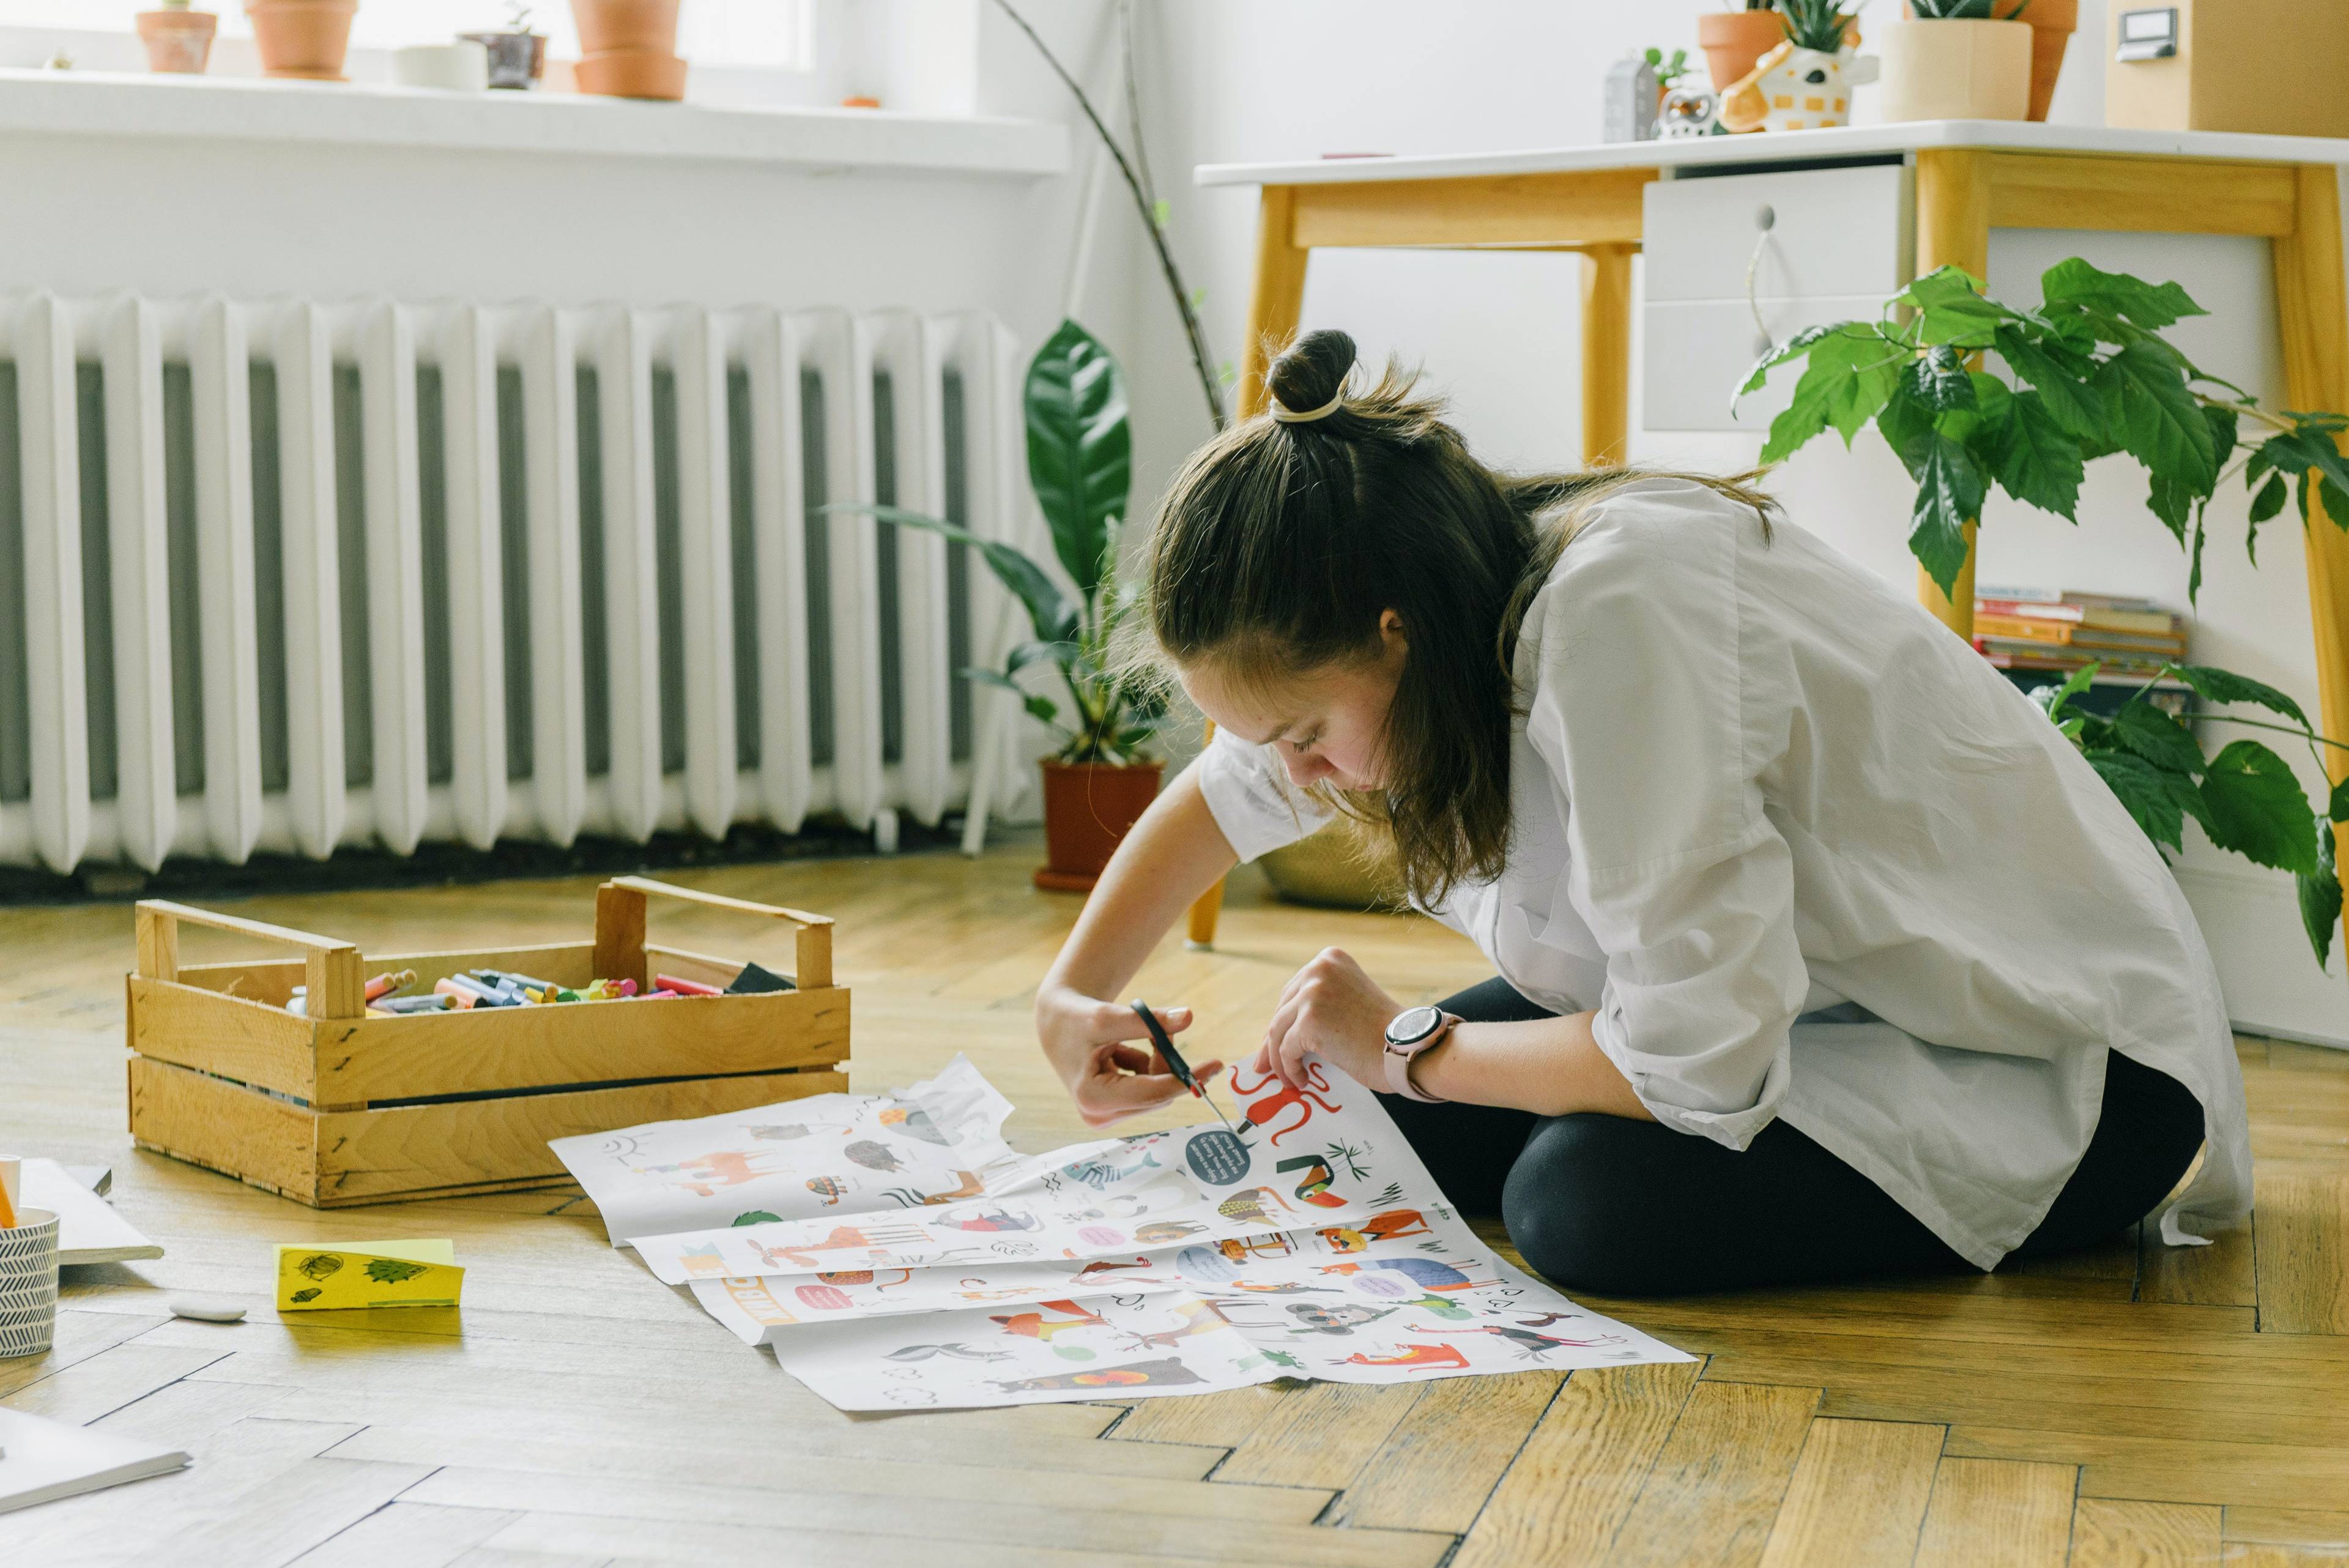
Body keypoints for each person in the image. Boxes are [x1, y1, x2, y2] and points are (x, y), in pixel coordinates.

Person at [1031, 329, 2249, 1297]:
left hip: (2055, 1059)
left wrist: (1401, 1040)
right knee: (1358, 1127)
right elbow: (1223, 792)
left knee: (1580, 1203)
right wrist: (1072, 990)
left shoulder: (1620, 615)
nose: (1293, 772)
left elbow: (1699, 1065)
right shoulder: (1450, 590)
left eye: (1303, 738)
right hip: (1812, 997)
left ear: (1395, 632)